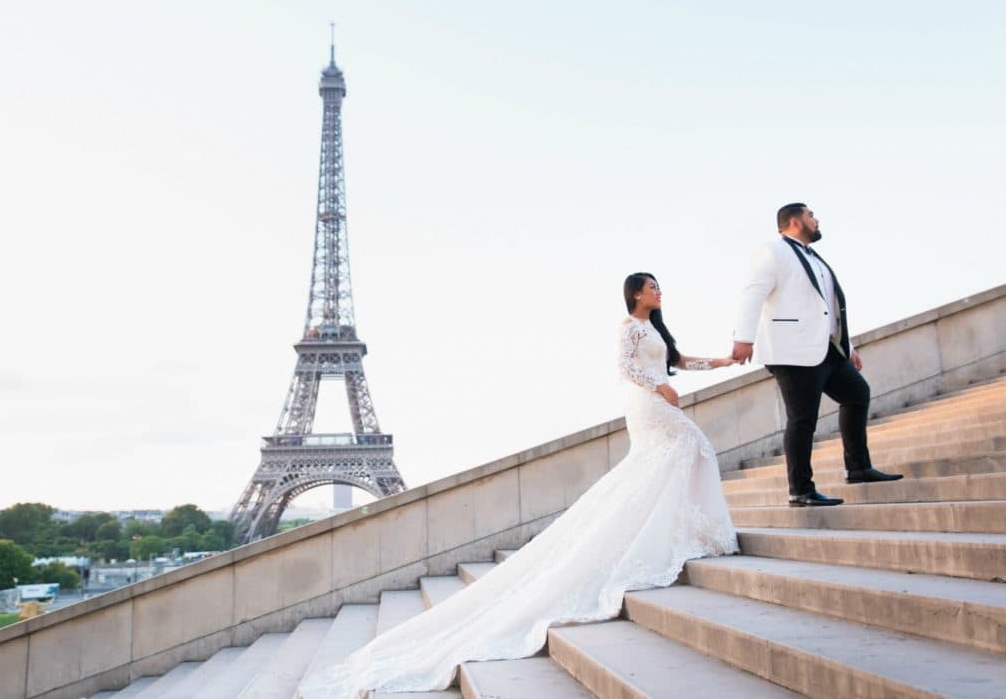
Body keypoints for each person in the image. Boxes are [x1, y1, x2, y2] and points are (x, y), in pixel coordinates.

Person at [296, 272, 738, 698]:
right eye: (652, 286)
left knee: (681, 454)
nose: (659, 291)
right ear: (635, 294)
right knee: (688, 449)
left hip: (655, 399)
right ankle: (687, 526)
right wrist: (660, 390)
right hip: (647, 403)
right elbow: (625, 367)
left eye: (659, 285)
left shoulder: (653, 328)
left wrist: (720, 361)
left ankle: (685, 525)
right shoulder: (628, 327)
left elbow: (678, 360)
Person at [731, 204, 902, 507]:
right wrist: (743, 338)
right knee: (802, 419)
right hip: (792, 351)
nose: (817, 219)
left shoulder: (816, 259)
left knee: (857, 392)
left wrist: (846, 347)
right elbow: (753, 293)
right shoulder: (772, 251)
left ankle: (858, 467)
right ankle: (800, 490)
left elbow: (826, 308)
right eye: (811, 215)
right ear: (795, 222)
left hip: (826, 349)